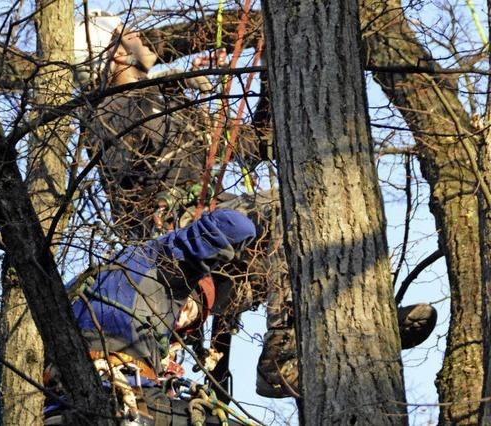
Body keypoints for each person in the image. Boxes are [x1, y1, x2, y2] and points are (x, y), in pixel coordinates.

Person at [71, 11, 438, 403]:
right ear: (114, 56)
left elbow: (259, 144)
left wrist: (270, 67)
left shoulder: (163, 102)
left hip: (220, 246)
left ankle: (357, 332)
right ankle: (283, 354)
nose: (144, 41)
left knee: (293, 244)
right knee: (285, 205)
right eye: (131, 37)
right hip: (181, 246)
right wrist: (173, 94)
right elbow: (140, 183)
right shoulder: (110, 114)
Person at [43, 209, 257, 425]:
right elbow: (233, 227)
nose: (182, 320)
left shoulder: (98, 277)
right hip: (116, 391)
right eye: (189, 309)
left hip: (56, 398)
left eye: (189, 322)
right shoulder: (169, 261)